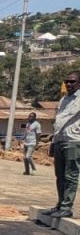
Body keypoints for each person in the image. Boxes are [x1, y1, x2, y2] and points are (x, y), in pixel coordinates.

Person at [44, 71, 80, 218]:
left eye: (72, 81)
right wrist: (53, 141)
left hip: (73, 141)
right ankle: (60, 204)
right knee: (60, 175)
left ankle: (67, 207)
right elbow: (58, 121)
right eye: (67, 81)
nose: (69, 84)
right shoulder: (63, 99)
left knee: (71, 176)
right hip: (59, 140)